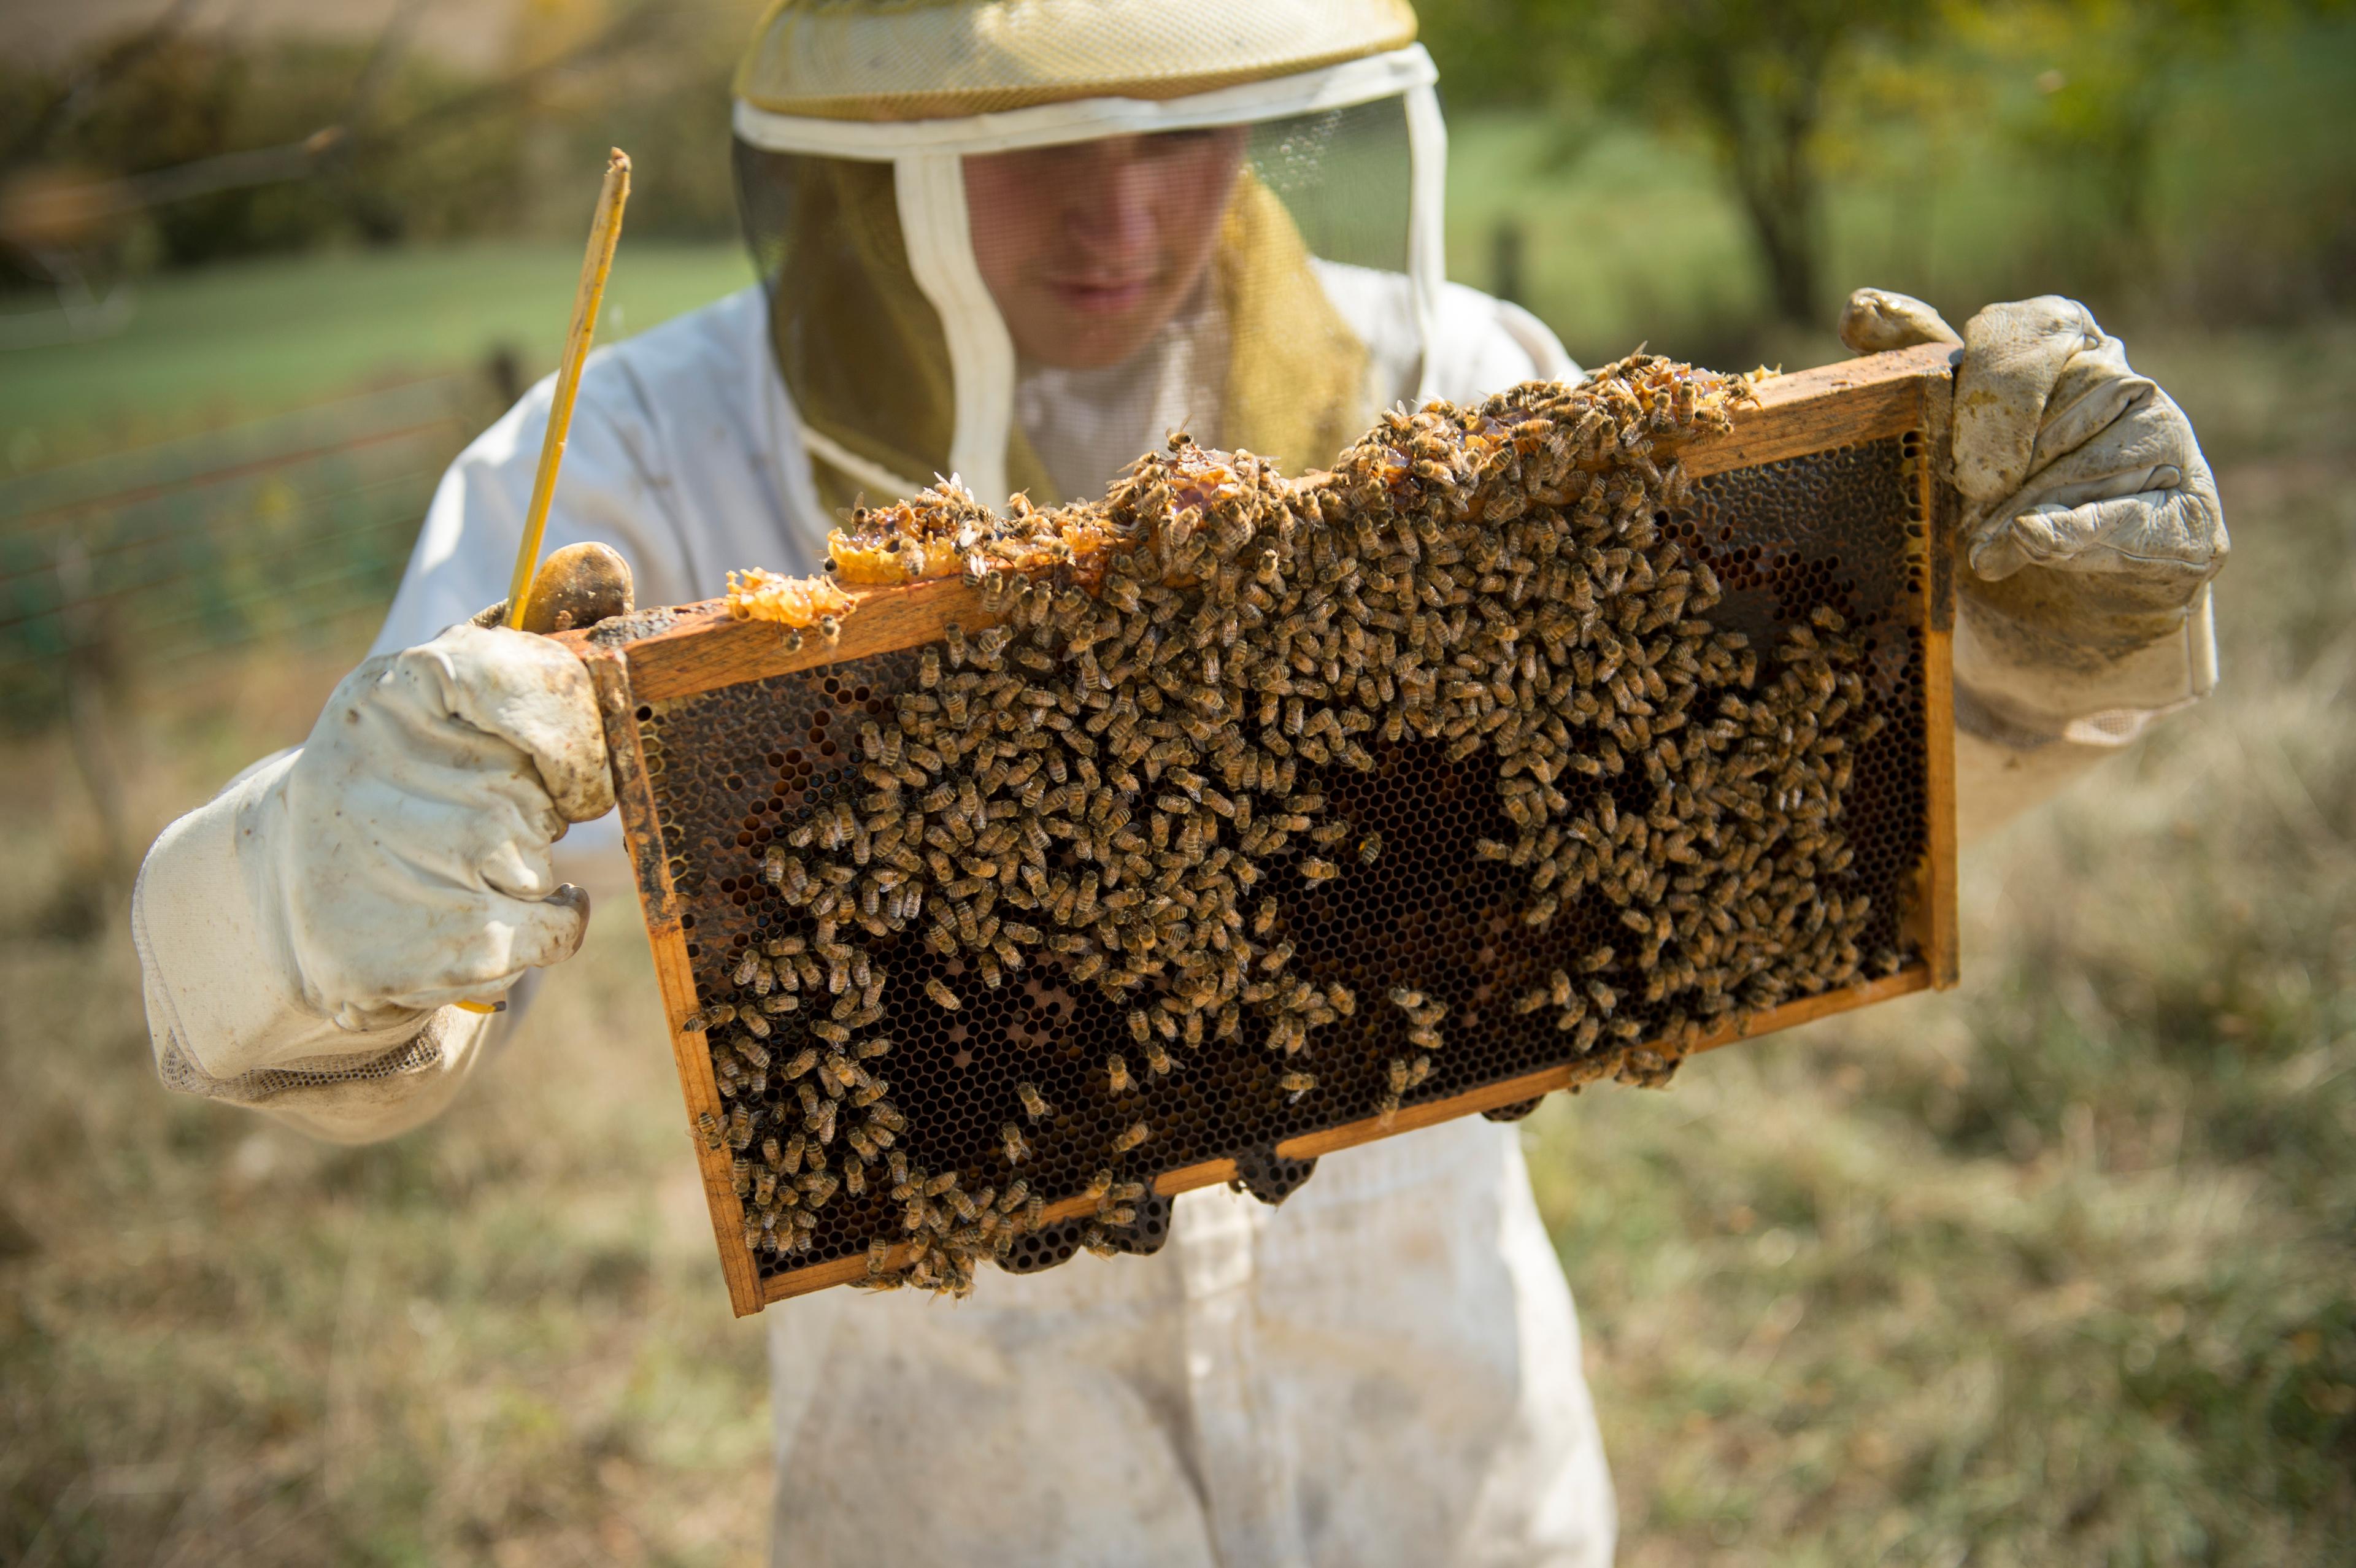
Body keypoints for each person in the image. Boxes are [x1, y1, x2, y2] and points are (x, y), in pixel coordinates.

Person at [129, 2, 2227, 1562]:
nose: (1120, 213)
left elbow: (1750, 824)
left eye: (1181, 124)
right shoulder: (655, 455)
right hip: (963, 1509)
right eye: (1034, 140)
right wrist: (316, 889)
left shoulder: (1474, 386)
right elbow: (240, 1004)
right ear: (867, 133)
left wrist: (2025, 657)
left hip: (1460, 1480)